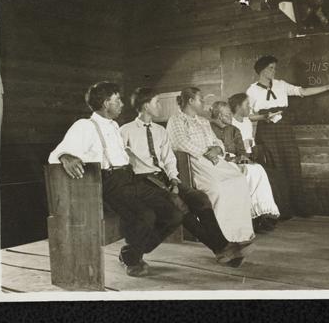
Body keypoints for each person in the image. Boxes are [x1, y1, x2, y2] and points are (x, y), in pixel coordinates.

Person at [48, 82, 183, 277]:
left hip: (130, 178)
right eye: (117, 99)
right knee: (146, 216)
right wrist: (65, 156)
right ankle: (133, 260)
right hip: (108, 183)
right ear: (105, 103)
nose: (121, 104)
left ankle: (131, 252)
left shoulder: (113, 126)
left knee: (175, 213)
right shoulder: (85, 126)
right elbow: (55, 155)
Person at [120, 87, 242, 265]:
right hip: (141, 180)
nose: (160, 106)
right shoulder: (126, 131)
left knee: (200, 198)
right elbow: (120, 160)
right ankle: (221, 248)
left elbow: (168, 158)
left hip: (163, 178)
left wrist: (174, 178)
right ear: (146, 106)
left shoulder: (160, 131)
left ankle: (222, 248)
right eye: (157, 102)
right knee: (180, 208)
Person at [166, 87, 255, 267]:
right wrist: (206, 153)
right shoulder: (176, 120)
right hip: (195, 162)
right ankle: (224, 236)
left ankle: (240, 233)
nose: (204, 103)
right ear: (190, 101)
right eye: (201, 100)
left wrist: (217, 149)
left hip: (214, 159)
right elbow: (180, 142)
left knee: (239, 181)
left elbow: (217, 141)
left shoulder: (203, 121)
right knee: (219, 188)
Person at [246, 55, 329, 217]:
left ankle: (300, 206)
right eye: (271, 68)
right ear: (262, 70)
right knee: (275, 165)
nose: (274, 71)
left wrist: (327, 87)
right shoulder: (252, 91)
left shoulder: (281, 85)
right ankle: (282, 210)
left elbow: (302, 91)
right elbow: (248, 116)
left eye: (274, 68)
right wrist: (265, 117)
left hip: (284, 127)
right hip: (267, 130)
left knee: (292, 163)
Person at [209, 101, 280, 233]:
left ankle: (260, 213)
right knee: (244, 174)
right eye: (228, 114)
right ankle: (247, 217)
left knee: (257, 170)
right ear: (219, 116)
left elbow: (241, 151)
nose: (231, 117)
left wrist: (242, 157)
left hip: (235, 161)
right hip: (220, 162)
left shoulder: (234, 130)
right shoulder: (208, 128)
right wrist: (232, 159)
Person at [228, 92, 293, 220]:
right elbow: (231, 147)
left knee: (278, 176)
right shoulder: (231, 123)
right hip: (241, 159)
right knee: (269, 179)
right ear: (238, 107)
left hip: (253, 156)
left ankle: (276, 214)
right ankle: (262, 216)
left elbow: (257, 119)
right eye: (247, 105)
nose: (250, 108)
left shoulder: (246, 120)